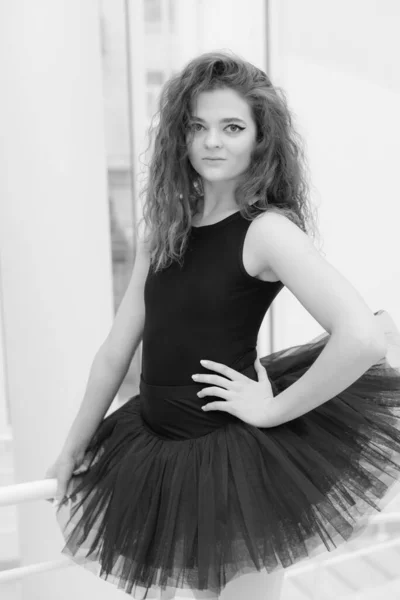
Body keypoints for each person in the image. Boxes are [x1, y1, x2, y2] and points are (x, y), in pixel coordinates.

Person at [44, 51, 400, 600]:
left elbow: (363, 336)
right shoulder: (167, 226)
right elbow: (116, 349)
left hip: (234, 459)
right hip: (160, 453)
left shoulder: (267, 231)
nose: (212, 141)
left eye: (232, 127)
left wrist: (272, 408)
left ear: (260, 139)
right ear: (180, 138)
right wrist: (74, 442)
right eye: (198, 126)